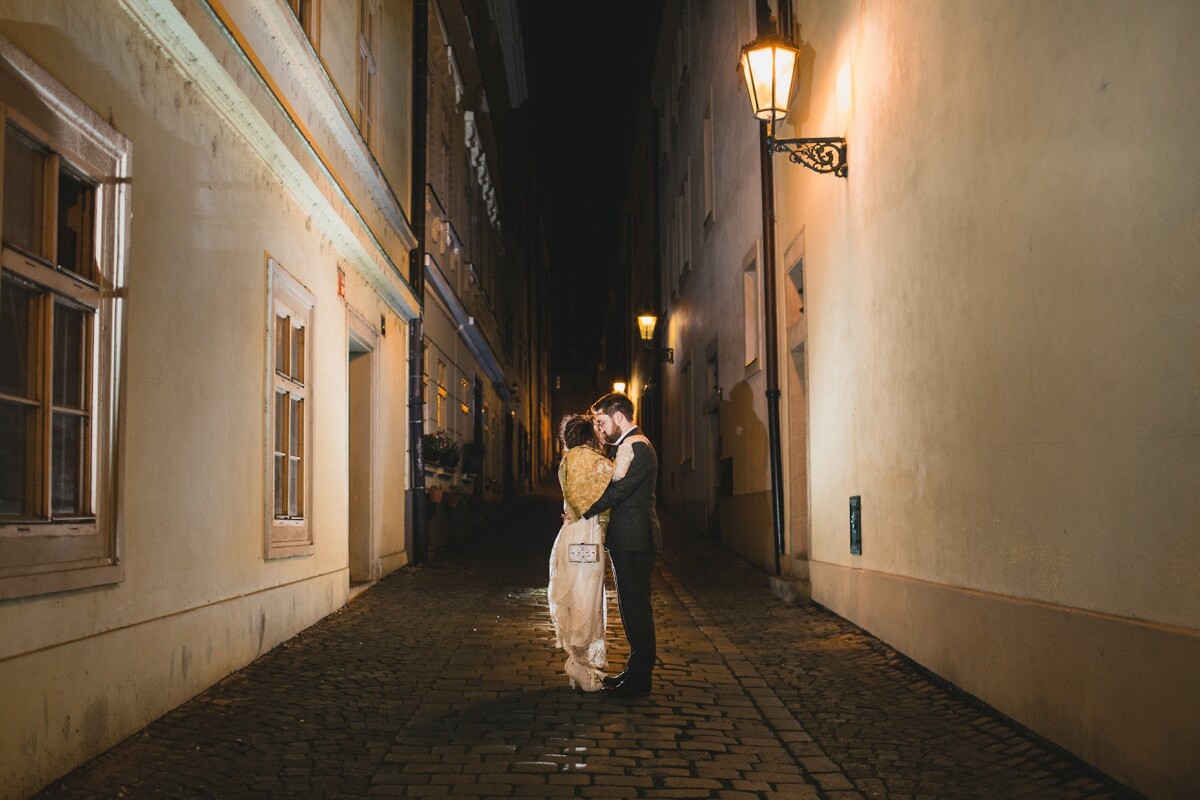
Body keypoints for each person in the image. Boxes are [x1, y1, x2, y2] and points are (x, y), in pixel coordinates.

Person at [578, 392, 660, 698]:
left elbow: (619, 492)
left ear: (618, 416)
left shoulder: (638, 447)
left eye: (601, 421)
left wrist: (582, 510)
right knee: (630, 607)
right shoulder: (627, 446)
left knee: (637, 608)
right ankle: (634, 671)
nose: (600, 428)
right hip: (628, 538)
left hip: (637, 538)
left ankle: (641, 680)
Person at [548, 414, 614, 691]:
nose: (602, 434)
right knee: (587, 596)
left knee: (579, 596)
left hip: (573, 535)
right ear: (588, 435)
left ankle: (579, 664)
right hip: (586, 536)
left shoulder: (568, 458)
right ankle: (579, 665)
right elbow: (613, 476)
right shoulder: (587, 457)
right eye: (598, 429)